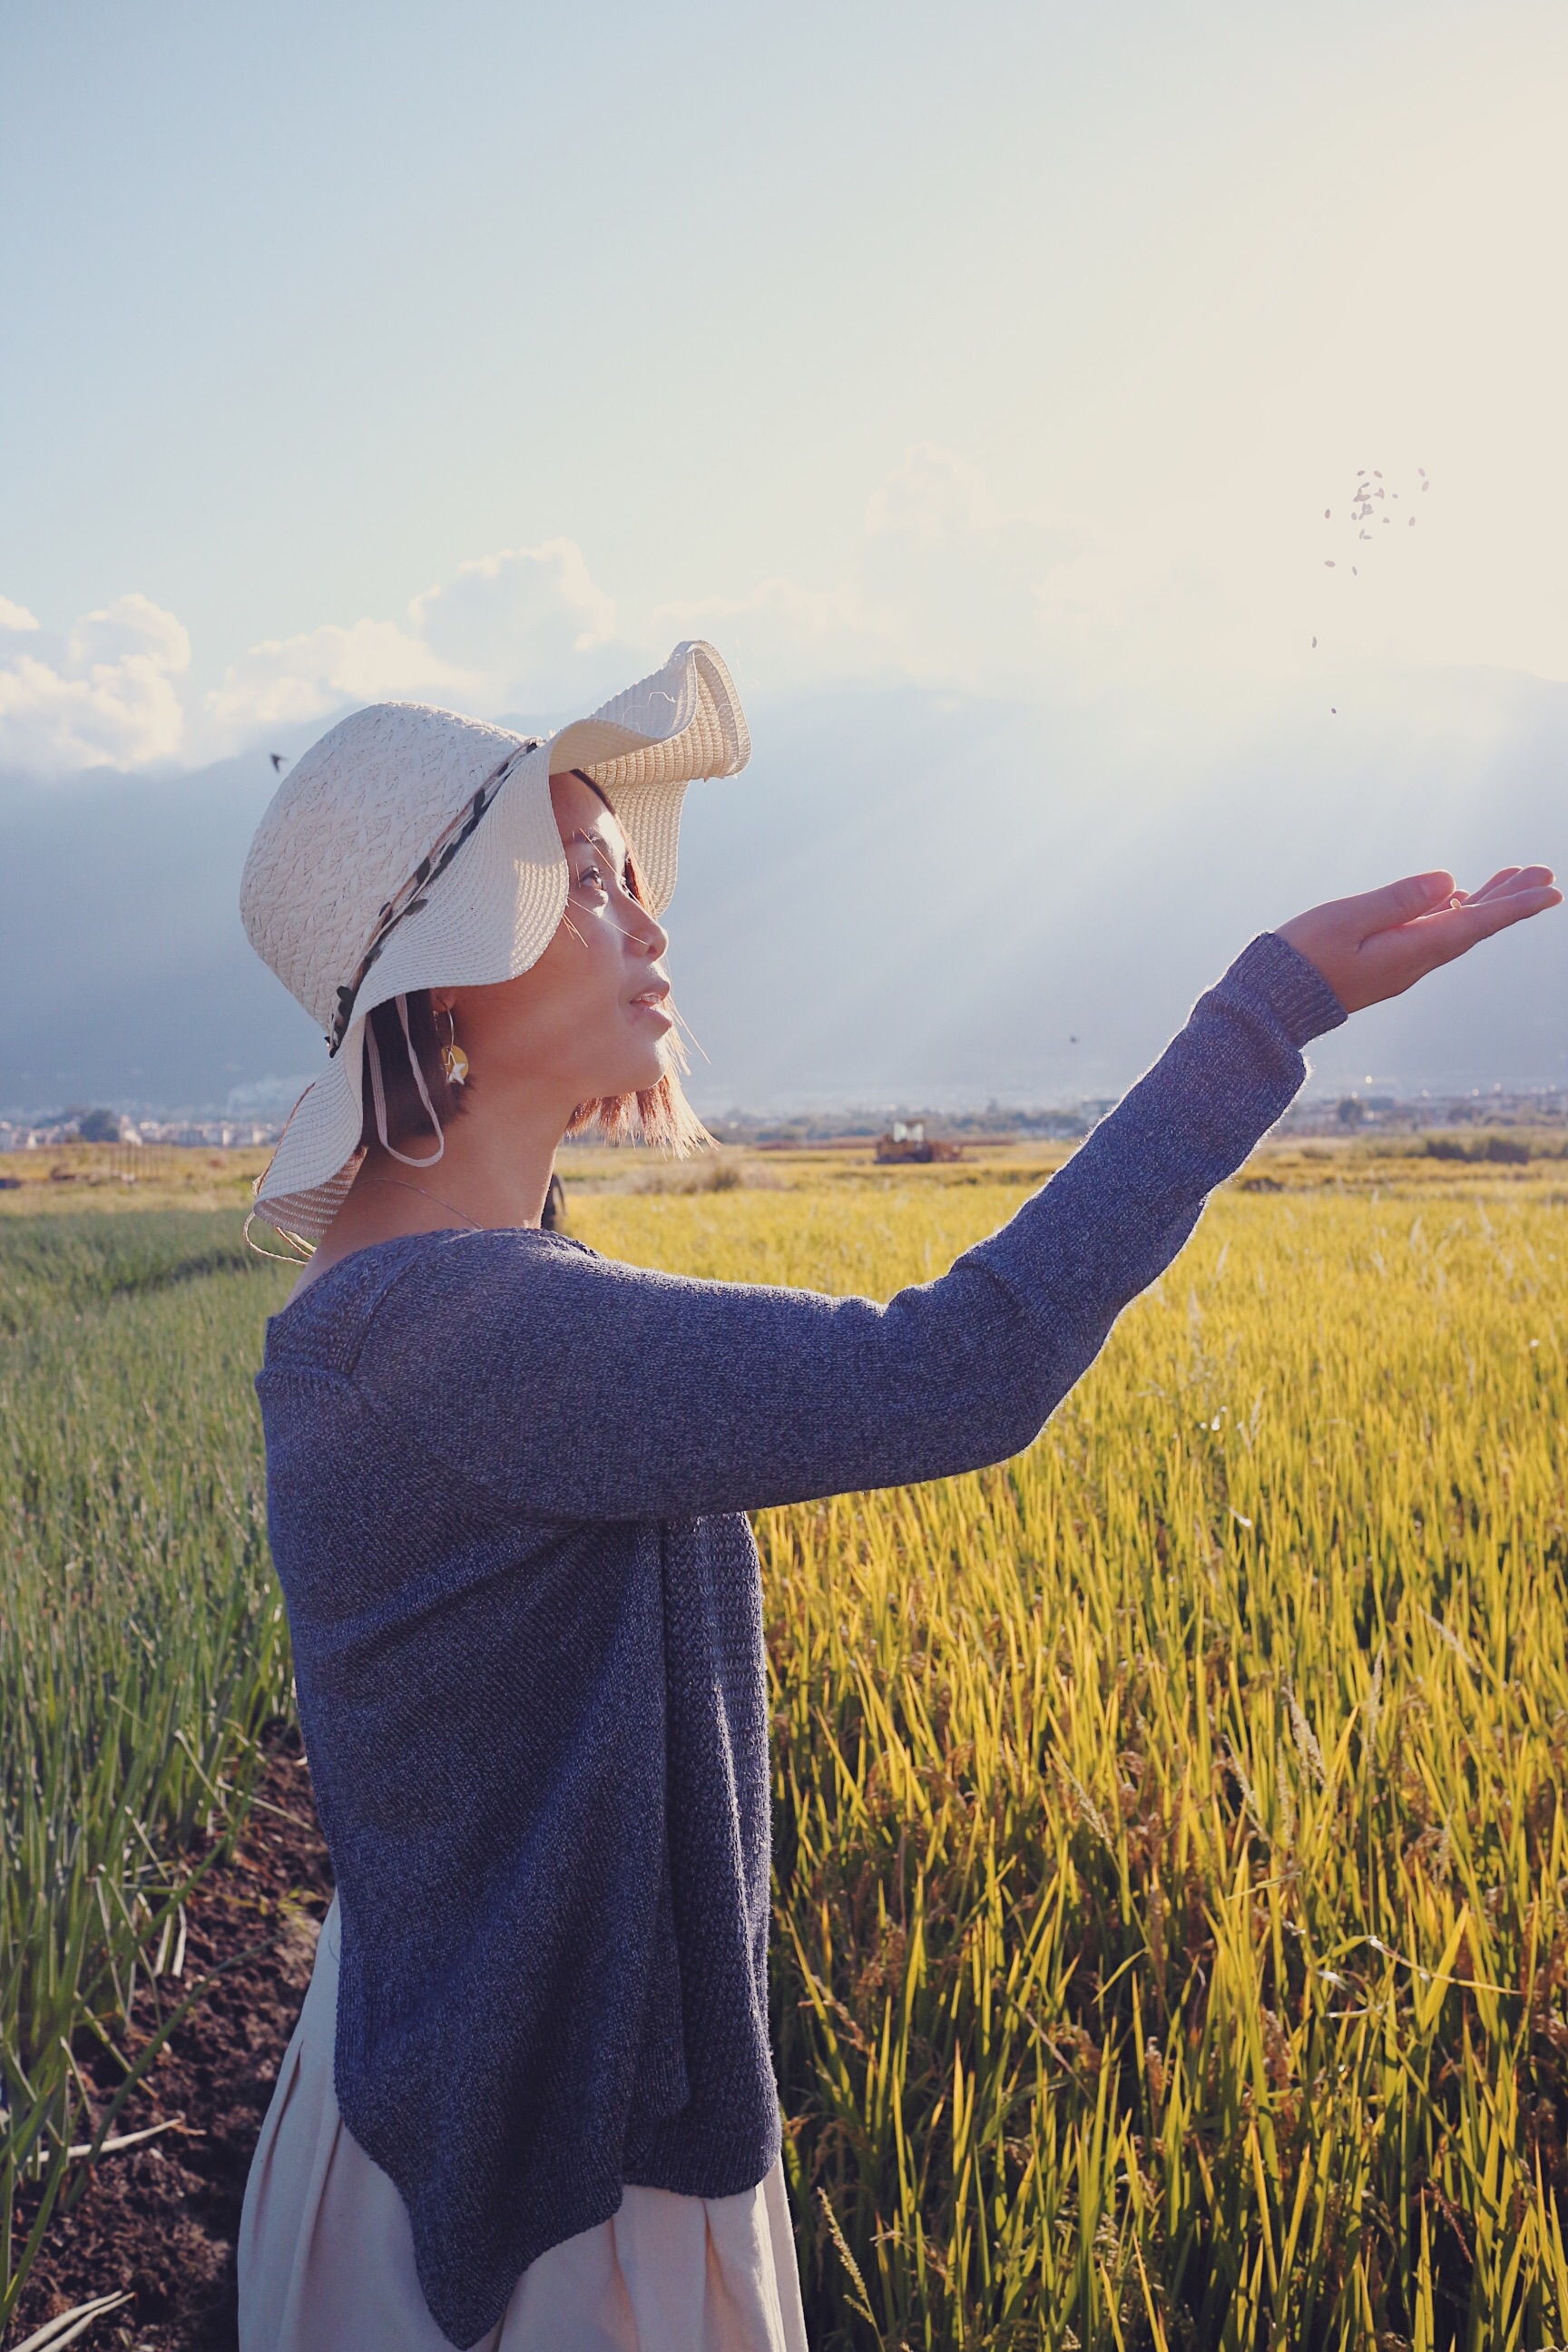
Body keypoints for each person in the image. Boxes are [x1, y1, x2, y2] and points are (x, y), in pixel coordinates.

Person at [232, 642, 1559, 2352]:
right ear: (444, 971)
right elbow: (960, 1367)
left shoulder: (449, 1302)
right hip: (547, 2172)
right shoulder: (461, 1331)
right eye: (576, 885)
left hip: (459, 2066)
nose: (644, 925)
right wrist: (1265, 1012)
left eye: (631, 883)